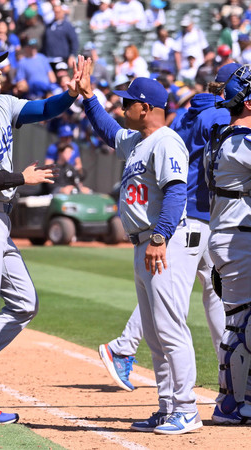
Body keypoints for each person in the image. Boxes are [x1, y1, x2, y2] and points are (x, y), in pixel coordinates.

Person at [0, 43, 84, 424]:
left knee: (24, 302)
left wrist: (70, 93)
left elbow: (43, 109)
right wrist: (22, 177)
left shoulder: (2, 104)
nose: (1, 70)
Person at [77, 61, 203, 434]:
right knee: (153, 333)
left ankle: (187, 409)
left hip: (164, 242)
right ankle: (167, 407)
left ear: (145, 108)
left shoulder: (165, 141)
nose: (122, 107)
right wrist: (88, 98)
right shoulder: (139, 140)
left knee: (170, 329)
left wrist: (161, 238)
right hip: (144, 243)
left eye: (127, 103)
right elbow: (108, 130)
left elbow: (176, 191)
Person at [98, 63, 238, 397]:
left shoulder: (193, 113)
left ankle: (221, 385)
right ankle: (132, 353)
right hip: (191, 217)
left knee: (198, 298)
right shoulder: (214, 117)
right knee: (177, 306)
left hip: (187, 217)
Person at [204, 63, 251, 425]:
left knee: (240, 321)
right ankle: (234, 405)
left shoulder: (222, 135)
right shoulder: (243, 142)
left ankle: (234, 398)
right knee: (242, 323)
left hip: (228, 234)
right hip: (238, 238)